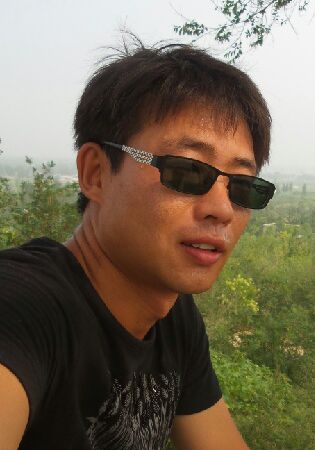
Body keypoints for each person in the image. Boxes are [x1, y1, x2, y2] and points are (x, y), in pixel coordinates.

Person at [0, 38, 275, 450]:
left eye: (242, 185)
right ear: (96, 174)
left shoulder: (172, 319)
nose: (222, 209)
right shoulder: (24, 309)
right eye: (186, 171)